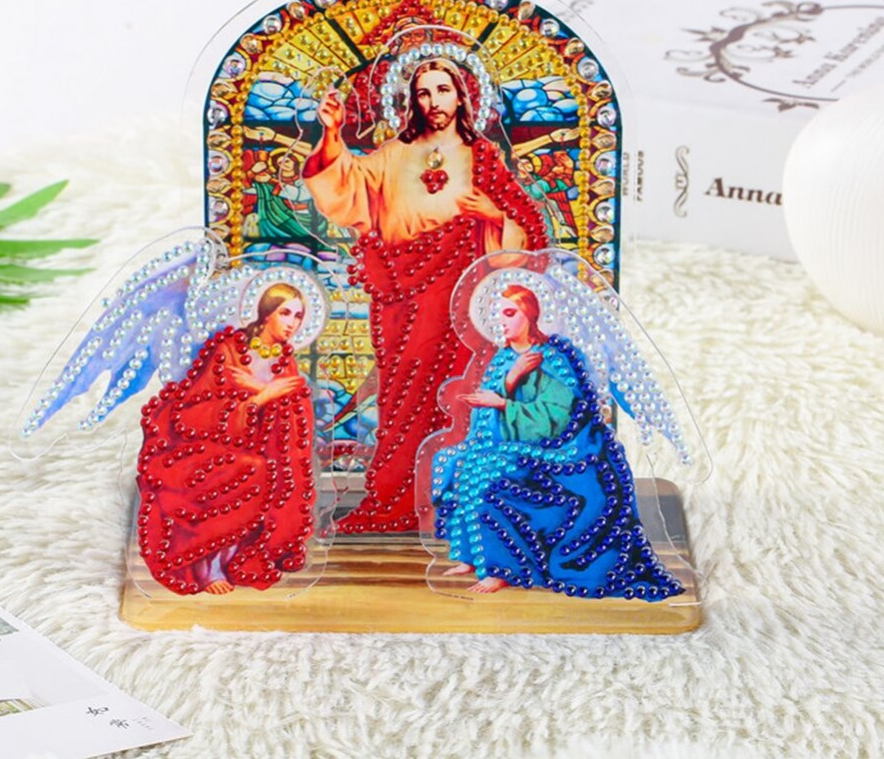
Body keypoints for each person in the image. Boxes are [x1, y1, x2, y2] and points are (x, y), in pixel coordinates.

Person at [303, 56, 549, 533]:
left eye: (442, 90)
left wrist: (493, 216)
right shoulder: (394, 154)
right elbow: (347, 188)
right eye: (423, 92)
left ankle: (455, 500)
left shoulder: (482, 158)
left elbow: (530, 232)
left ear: (462, 97)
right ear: (412, 101)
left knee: (455, 394)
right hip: (400, 294)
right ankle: (396, 496)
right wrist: (332, 134)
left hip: (460, 295)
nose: (433, 101)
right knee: (401, 395)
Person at [431, 284, 684, 600]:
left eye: (509, 313)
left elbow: (559, 417)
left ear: (529, 314)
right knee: (451, 461)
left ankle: (503, 569)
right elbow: (486, 420)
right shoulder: (503, 358)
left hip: (560, 449)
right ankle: (473, 556)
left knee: (486, 474)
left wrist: (504, 403)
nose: (501, 321)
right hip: (509, 442)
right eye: (497, 314)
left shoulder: (552, 357)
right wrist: (510, 381)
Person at [136, 283, 316, 595]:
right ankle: (209, 569)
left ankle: (232, 561)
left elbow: (294, 417)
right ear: (266, 314)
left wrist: (259, 391)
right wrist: (260, 398)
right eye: (285, 313)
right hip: (203, 449)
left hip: (257, 452)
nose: (292, 323)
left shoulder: (284, 362)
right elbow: (192, 414)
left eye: (298, 316)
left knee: (260, 468)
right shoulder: (229, 350)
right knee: (250, 469)